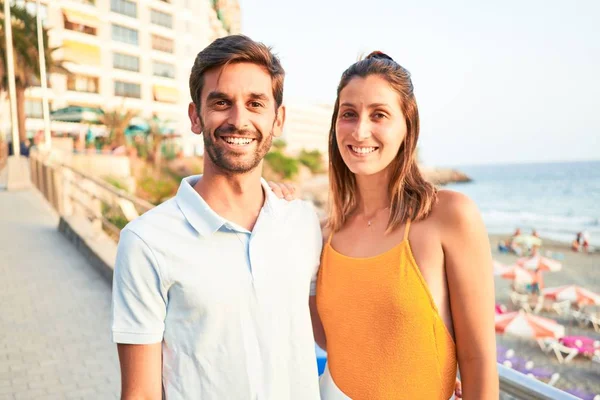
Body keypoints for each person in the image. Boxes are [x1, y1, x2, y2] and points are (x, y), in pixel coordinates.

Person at [111, 35, 324, 399]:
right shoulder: (145, 241)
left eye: (256, 103)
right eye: (222, 102)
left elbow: (336, 336)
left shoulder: (303, 223)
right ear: (196, 117)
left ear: (278, 119)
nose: (239, 120)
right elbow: (140, 394)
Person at [294, 51, 497, 399]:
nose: (360, 130)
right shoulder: (323, 234)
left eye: (379, 115)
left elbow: (478, 359)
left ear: (408, 126)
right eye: (349, 114)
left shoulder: (449, 216)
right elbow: (336, 340)